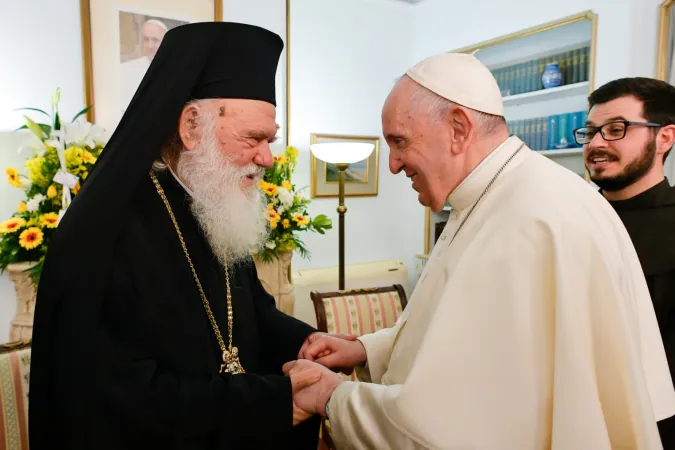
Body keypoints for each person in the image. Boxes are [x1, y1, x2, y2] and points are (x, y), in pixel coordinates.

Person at [283, 53, 675, 449]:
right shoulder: (488, 197)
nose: (394, 165)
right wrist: (364, 349)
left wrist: (333, 396)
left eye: (400, 141)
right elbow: (448, 338)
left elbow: (451, 424)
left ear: (458, 129)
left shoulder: (530, 219)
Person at [28, 22, 324, 450]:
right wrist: (269, 402)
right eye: (253, 138)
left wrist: (307, 342)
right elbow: (114, 397)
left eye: (270, 140)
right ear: (190, 127)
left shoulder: (215, 204)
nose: (267, 158)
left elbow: (252, 312)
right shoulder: (102, 233)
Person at [580, 77, 675, 448]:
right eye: (590, 132)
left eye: (616, 129)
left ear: (665, 138)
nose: (596, 143)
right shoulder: (569, 218)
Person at [120, 19, 168, 113]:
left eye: (155, 40)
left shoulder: (177, 69)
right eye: (146, 39)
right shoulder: (126, 69)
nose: (150, 46)